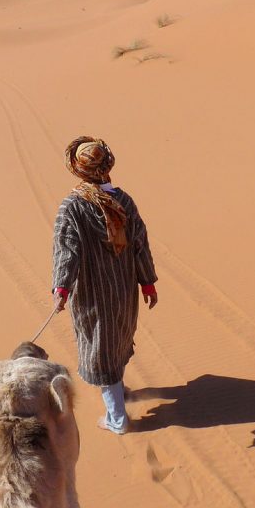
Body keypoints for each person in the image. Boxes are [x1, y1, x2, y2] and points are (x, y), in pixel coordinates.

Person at [51, 135, 158, 434]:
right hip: (123, 290)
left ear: (78, 169)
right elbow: (140, 245)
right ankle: (119, 394)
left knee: (101, 349)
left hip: (93, 294)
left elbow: (66, 250)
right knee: (115, 340)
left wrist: (61, 288)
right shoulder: (124, 201)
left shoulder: (72, 206)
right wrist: (147, 282)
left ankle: (117, 419)